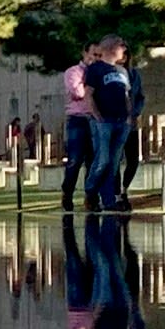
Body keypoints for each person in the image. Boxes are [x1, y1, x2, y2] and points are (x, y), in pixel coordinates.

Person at [83, 36, 139, 211]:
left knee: (114, 163)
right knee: (102, 160)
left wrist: (129, 117)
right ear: (112, 48)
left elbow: (126, 95)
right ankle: (90, 190)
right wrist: (97, 116)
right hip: (103, 121)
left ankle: (108, 201)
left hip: (121, 121)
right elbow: (88, 94)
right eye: (122, 46)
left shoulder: (122, 71)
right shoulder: (95, 69)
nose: (124, 50)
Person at [58, 50, 95, 211]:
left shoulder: (99, 72)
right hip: (78, 119)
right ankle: (67, 192)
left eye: (98, 55)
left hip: (95, 119)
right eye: (92, 54)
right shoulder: (73, 72)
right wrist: (91, 84)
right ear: (84, 53)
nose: (94, 58)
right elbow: (79, 92)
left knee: (93, 160)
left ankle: (91, 196)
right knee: (75, 159)